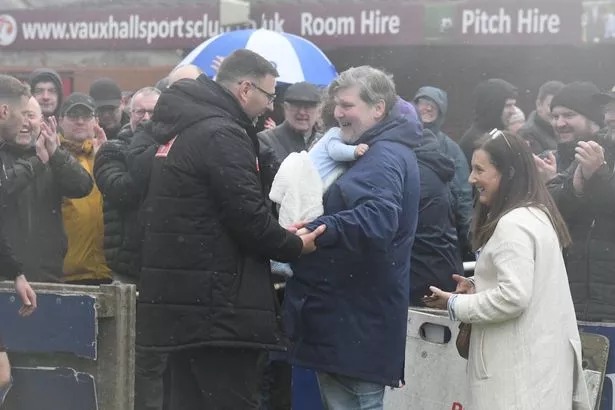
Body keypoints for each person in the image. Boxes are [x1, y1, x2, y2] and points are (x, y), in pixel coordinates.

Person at [136, 49, 324, 410]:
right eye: (269, 95)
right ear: (244, 89)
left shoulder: (185, 126)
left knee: (185, 401)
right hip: (219, 309)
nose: (270, 106)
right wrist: (293, 244)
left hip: (181, 305)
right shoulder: (222, 133)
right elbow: (248, 219)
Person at [283, 66, 422, 409]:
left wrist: (318, 230)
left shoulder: (383, 154)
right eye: (336, 105)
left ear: (378, 108)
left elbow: (378, 218)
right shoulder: (374, 148)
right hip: (349, 323)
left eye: (347, 105)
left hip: (357, 324)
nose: (338, 113)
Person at [425, 130, 590, 409]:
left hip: (515, 382)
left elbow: (513, 297)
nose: (471, 178)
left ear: (509, 173)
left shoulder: (512, 224)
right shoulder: (535, 214)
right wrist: (478, 285)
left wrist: (455, 304)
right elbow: (526, 286)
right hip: (534, 375)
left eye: (479, 169)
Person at [0, 95, 93, 283]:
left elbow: (82, 186)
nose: (25, 123)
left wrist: (56, 154)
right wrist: (37, 162)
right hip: (5, 271)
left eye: (31, 116)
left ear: (42, 121)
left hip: (46, 272)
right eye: (19, 116)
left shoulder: (52, 156)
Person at [413, 86, 473, 258]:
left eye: (434, 105)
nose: (428, 108)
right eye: (423, 103)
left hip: (442, 230)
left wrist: (467, 236)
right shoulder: (403, 139)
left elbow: (463, 193)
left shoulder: (451, 148)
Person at [59, 93, 112, 285]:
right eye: (73, 116)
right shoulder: (50, 158)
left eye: (86, 116)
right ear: (60, 121)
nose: (80, 121)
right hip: (66, 275)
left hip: (108, 272)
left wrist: (108, 159)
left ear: (96, 121)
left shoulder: (109, 155)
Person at [258, 81, 323, 163]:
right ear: (285, 108)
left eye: (308, 107)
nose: (302, 112)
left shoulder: (325, 143)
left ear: (319, 112)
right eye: (296, 106)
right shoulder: (266, 141)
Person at [459, 78, 517, 166]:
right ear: (493, 107)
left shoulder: (499, 135)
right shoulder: (473, 142)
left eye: (513, 105)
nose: (513, 111)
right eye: (508, 105)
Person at [518, 80, 565, 154]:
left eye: (562, 106)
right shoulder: (527, 134)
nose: (557, 111)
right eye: (552, 106)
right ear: (539, 104)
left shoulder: (564, 127)